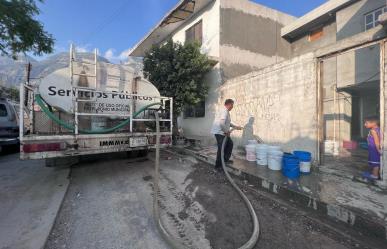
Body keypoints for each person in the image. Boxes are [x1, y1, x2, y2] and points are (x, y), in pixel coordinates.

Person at [211, 99, 242, 172]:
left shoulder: (226, 112)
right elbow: (221, 123)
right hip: (220, 132)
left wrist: (236, 127)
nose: (232, 107)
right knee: (221, 148)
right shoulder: (224, 111)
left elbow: (228, 123)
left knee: (230, 144)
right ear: (228, 104)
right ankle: (217, 166)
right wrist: (226, 131)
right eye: (232, 105)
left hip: (223, 132)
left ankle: (225, 160)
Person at [363, 116, 381, 180]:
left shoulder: (373, 131)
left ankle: (374, 175)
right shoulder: (379, 129)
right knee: (376, 162)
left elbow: (376, 142)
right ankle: (375, 173)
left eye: (366, 123)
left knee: (375, 162)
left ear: (374, 123)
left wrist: (378, 150)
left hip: (374, 149)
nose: (364, 124)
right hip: (374, 149)